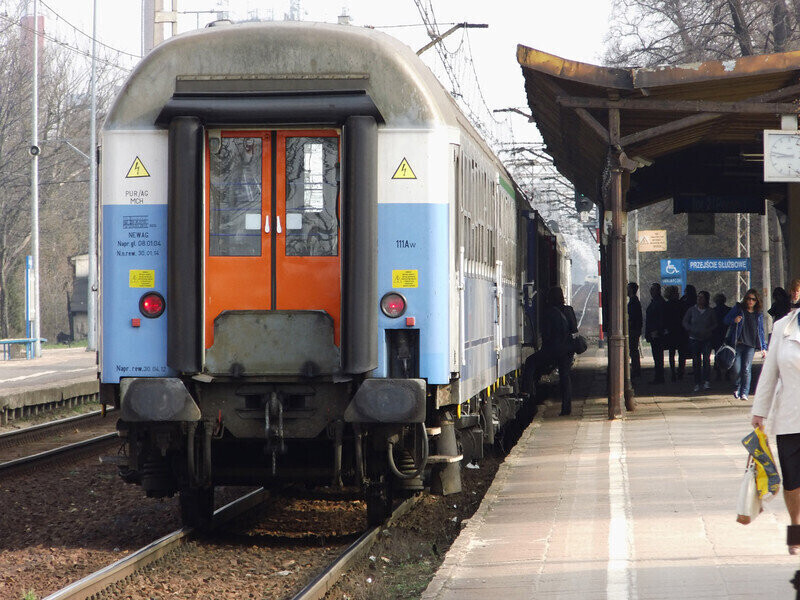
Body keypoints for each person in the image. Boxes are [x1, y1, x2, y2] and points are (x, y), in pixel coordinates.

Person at [750, 305, 800, 554]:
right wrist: (759, 412)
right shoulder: (783, 327)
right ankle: (795, 527)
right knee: (792, 481)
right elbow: (769, 373)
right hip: (789, 417)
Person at [724, 288, 767, 401]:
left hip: (751, 345)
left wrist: (763, 347)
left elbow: (761, 331)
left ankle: (744, 392)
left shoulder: (758, 314)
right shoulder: (738, 309)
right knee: (736, 369)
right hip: (738, 343)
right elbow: (725, 319)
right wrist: (734, 320)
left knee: (746, 369)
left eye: (753, 299)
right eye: (748, 299)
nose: (750, 301)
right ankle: (737, 386)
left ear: (757, 301)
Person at [541, 286, 578, 416]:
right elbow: (574, 329)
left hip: (554, 349)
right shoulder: (569, 310)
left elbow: (546, 334)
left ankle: (527, 390)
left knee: (531, 362)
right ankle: (566, 408)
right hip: (568, 349)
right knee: (565, 377)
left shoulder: (549, 312)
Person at [682, 290, 718, 392]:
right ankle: (697, 383)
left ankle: (706, 381)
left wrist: (709, 330)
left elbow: (715, 323)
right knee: (696, 361)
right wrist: (690, 329)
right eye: (698, 297)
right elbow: (685, 321)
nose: (699, 299)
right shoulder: (691, 310)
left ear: (706, 299)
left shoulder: (710, 311)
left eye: (702, 297)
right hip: (694, 339)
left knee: (706, 360)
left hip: (706, 339)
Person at [645, 283, 666, 384]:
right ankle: (658, 376)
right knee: (657, 356)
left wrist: (657, 330)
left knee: (658, 355)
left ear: (657, 291)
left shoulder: (659, 303)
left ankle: (659, 376)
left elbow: (660, 318)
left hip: (656, 333)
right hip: (654, 332)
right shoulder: (656, 302)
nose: (651, 291)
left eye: (653, 290)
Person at [663, 285, 686, 381]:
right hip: (680, 330)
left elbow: (664, 319)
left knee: (671, 353)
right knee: (681, 353)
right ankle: (680, 371)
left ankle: (673, 372)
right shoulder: (681, 304)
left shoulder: (666, 305)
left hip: (671, 331)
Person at [711, 292, 731, 381]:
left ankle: (718, 373)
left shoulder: (713, 311)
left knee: (717, 353)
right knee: (728, 353)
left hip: (716, 334)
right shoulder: (729, 310)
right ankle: (727, 372)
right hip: (727, 334)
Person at [627, 282, 643, 378]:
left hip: (633, 329)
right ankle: (636, 368)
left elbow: (633, 317)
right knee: (633, 350)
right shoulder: (634, 301)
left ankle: (636, 370)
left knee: (633, 350)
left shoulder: (633, 302)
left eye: (628, 289)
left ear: (631, 290)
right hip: (635, 329)